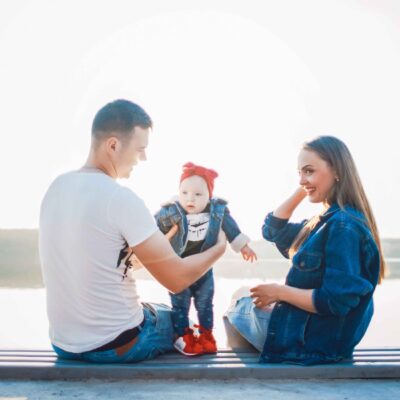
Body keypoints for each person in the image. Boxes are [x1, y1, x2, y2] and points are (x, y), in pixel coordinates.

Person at [39, 99, 226, 363]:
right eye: (140, 149)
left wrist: (144, 253)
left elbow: (94, 261)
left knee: (155, 309)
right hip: (118, 345)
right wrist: (219, 248)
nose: (144, 158)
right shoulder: (119, 198)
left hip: (64, 344)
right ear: (113, 145)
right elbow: (177, 280)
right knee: (176, 316)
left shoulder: (55, 188)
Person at [225, 135, 385, 365]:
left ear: (337, 170)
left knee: (238, 302)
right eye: (299, 173)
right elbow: (272, 230)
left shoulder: (343, 226)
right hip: (322, 338)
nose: (301, 179)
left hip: (313, 343)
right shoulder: (324, 221)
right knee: (243, 295)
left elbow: (334, 301)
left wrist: (279, 293)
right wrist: (305, 186)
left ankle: (248, 377)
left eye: (309, 171)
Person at [155, 162, 257, 356]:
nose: (190, 198)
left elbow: (231, 228)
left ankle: (206, 334)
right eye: (184, 193)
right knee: (180, 305)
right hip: (178, 269)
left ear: (209, 195)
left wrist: (243, 246)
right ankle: (183, 335)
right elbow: (152, 228)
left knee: (205, 303)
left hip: (204, 270)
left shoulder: (217, 211)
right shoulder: (170, 211)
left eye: (198, 194)